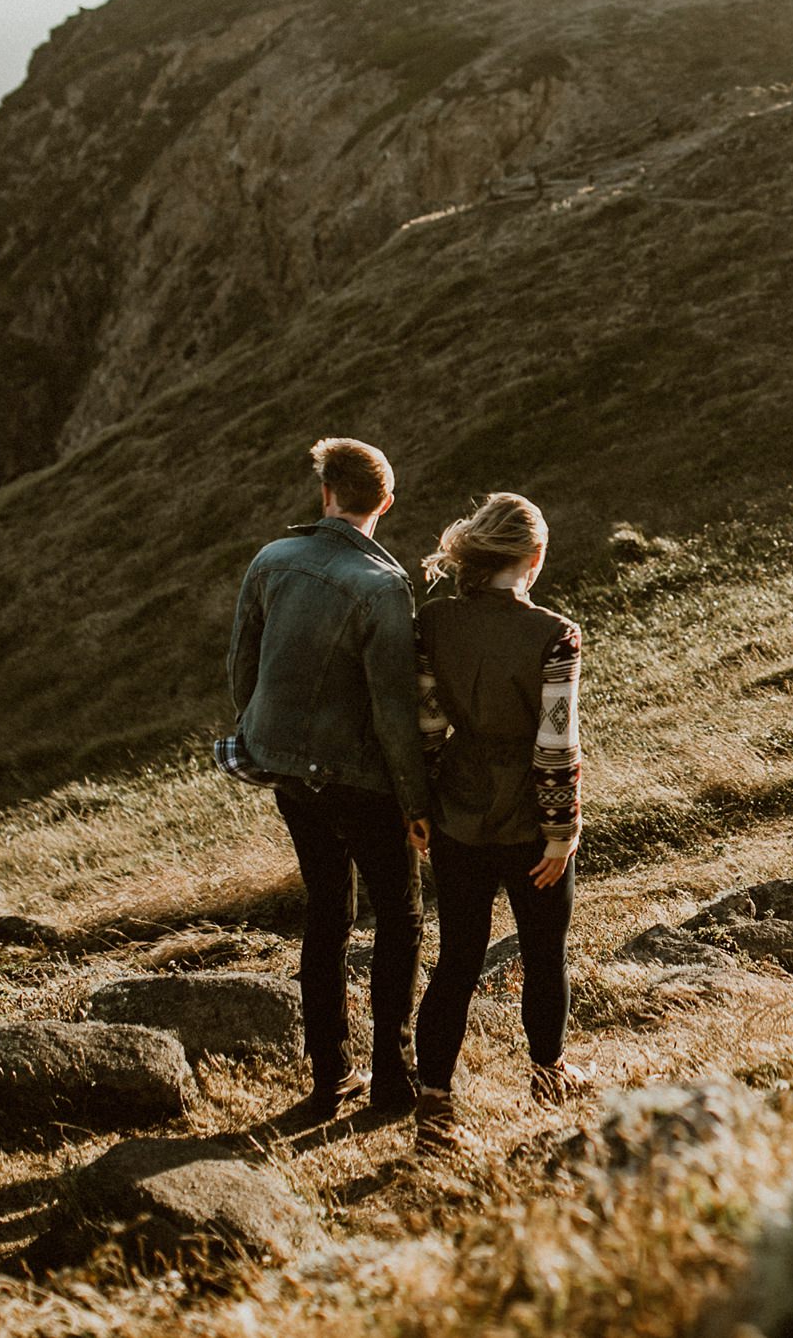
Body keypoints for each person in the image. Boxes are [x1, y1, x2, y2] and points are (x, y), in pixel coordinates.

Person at [222, 437, 429, 1122]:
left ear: (325, 496)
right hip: (359, 780)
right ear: (386, 503)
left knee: (327, 914)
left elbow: (240, 666)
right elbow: (395, 711)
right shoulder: (384, 586)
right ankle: (395, 1083)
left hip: (283, 768)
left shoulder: (272, 559)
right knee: (398, 918)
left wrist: (262, 730)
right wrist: (416, 799)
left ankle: (328, 1077)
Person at [409, 491, 588, 1147]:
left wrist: (420, 806)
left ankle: (433, 1105)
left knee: (455, 960)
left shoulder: (434, 621)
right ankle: (549, 1078)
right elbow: (555, 742)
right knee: (544, 956)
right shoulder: (555, 633)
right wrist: (561, 829)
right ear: (534, 558)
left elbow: (427, 726)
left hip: (456, 810)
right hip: (528, 824)